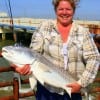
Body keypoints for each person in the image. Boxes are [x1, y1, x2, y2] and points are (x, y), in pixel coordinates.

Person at [11, 0, 100, 100]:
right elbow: (33, 53)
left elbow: (94, 58)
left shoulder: (83, 32)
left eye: (68, 9)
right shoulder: (44, 27)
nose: (64, 12)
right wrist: (19, 66)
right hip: (46, 90)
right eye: (61, 9)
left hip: (72, 89)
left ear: (73, 11)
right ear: (55, 10)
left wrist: (81, 83)